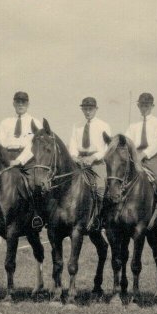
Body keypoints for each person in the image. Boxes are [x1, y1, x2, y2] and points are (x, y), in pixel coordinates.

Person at [124, 92, 157, 233]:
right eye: (142, 105)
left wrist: (143, 154)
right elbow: (127, 142)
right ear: (138, 106)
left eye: (147, 105)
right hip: (134, 159)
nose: (144, 108)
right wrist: (133, 155)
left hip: (151, 159)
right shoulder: (133, 126)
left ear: (152, 106)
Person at [68, 96, 111, 225]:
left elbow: (107, 148)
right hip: (79, 161)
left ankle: (100, 219)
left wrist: (93, 158)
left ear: (96, 109)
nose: (87, 112)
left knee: (101, 188)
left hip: (96, 162)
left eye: (90, 109)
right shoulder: (77, 126)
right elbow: (73, 144)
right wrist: (75, 157)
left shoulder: (103, 125)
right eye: (85, 109)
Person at [0, 91, 40, 166]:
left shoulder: (35, 122)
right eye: (18, 102)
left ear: (28, 104)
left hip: (28, 161)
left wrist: (20, 160)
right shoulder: (5, 122)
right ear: (14, 104)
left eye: (23, 102)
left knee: (35, 177)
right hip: (6, 159)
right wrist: (5, 159)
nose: (20, 104)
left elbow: (35, 145)